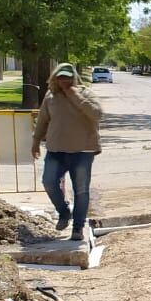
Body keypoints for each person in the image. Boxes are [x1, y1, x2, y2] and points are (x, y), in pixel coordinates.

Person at [31, 64, 102, 242]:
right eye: (61, 78)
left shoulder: (85, 93)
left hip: (83, 150)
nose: (64, 81)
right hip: (56, 149)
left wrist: (74, 95)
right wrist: (35, 141)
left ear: (74, 78)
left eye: (68, 78)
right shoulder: (51, 96)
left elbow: (97, 114)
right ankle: (64, 212)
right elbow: (42, 121)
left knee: (81, 190)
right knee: (48, 182)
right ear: (55, 78)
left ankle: (78, 228)